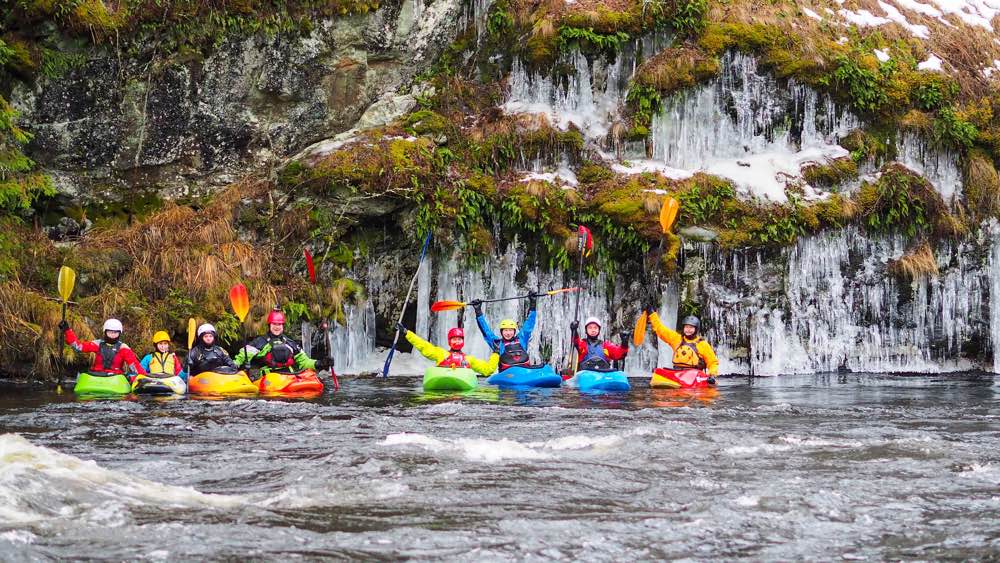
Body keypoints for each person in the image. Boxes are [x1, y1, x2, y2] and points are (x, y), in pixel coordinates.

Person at [234, 309, 330, 374]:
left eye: (279, 324)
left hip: (289, 376)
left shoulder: (290, 343)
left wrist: (320, 363)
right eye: (274, 324)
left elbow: (304, 362)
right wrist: (234, 365)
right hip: (270, 377)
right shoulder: (260, 342)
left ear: (283, 326)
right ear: (269, 325)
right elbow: (243, 354)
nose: (277, 327)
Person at [644, 303, 719, 379]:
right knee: (658, 372)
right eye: (686, 327)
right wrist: (652, 313)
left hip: (694, 376)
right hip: (677, 373)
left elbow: (712, 362)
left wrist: (712, 375)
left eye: (691, 327)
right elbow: (660, 330)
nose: (688, 330)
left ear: (696, 329)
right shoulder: (676, 339)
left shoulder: (702, 344)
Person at [58, 318, 146, 379]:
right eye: (110, 332)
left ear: (120, 333)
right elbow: (78, 346)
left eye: (116, 332)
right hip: (96, 375)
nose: (113, 335)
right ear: (105, 332)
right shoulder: (98, 344)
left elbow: (135, 366)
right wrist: (67, 330)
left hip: (115, 377)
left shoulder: (123, 348)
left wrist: (143, 377)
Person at [397, 324, 499, 376]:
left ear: (463, 341)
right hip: (442, 379)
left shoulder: (469, 359)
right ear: (449, 341)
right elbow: (424, 346)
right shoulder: (441, 353)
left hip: (461, 383)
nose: (457, 342)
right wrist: (407, 333)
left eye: (459, 339)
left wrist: (496, 353)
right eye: (454, 339)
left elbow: (487, 369)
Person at [471, 293, 538, 372]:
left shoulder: (522, 339)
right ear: (501, 332)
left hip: (524, 372)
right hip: (506, 375)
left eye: (510, 330)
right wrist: (478, 311)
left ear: (514, 331)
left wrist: (533, 304)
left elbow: (529, 324)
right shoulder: (497, 343)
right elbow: (485, 330)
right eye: (505, 330)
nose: (508, 333)